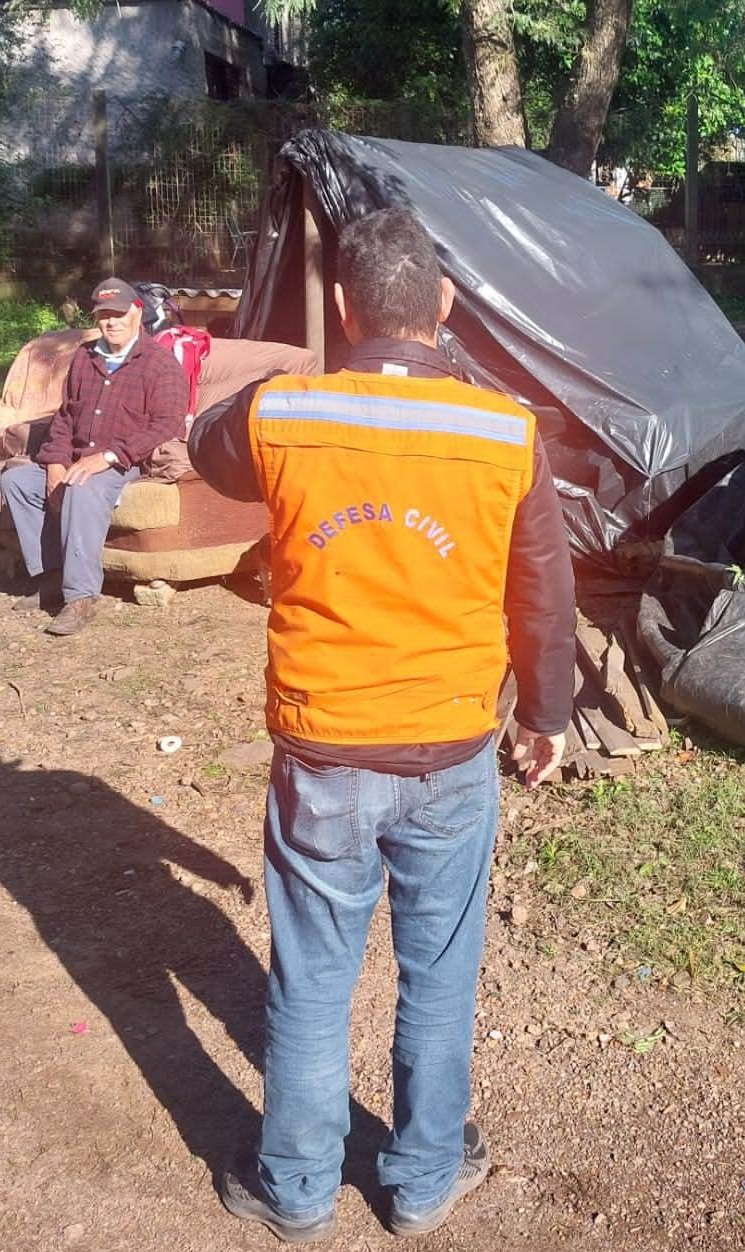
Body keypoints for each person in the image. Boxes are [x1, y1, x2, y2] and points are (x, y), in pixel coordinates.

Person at [189, 207, 576, 1243]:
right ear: (443, 307)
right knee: (440, 973)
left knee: (314, 976)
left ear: (347, 310)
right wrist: (546, 714)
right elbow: (541, 586)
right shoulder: (506, 430)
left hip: (324, 749)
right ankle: (420, 1181)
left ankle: (297, 1191)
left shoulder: (284, 412)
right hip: (452, 745)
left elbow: (202, 445)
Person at [1, 278, 189, 636]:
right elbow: (65, 416)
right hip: (76, 457)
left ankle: (82, 597)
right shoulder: (85, 358)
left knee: (82, 488)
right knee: (17, 481)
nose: (111, 322)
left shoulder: (159, 364)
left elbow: (166, 425)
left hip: (126, 462)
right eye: (104, 315)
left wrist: (107, 456)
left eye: (118, 313)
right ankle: (52, 577)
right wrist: (55, 462)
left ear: (136, 313)